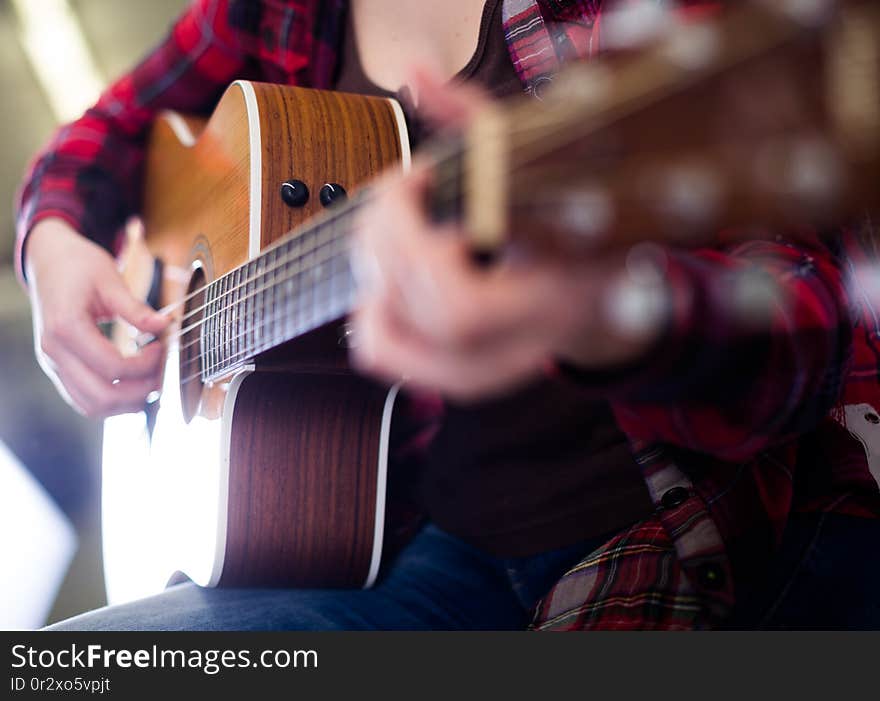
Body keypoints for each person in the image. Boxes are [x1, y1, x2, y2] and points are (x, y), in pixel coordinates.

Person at [16, 0, 880, 630]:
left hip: (670, 523)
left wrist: (598, 308)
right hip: (395, 545)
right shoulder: (273, 7)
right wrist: (52, 241)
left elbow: (806, 327)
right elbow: (106, 132)